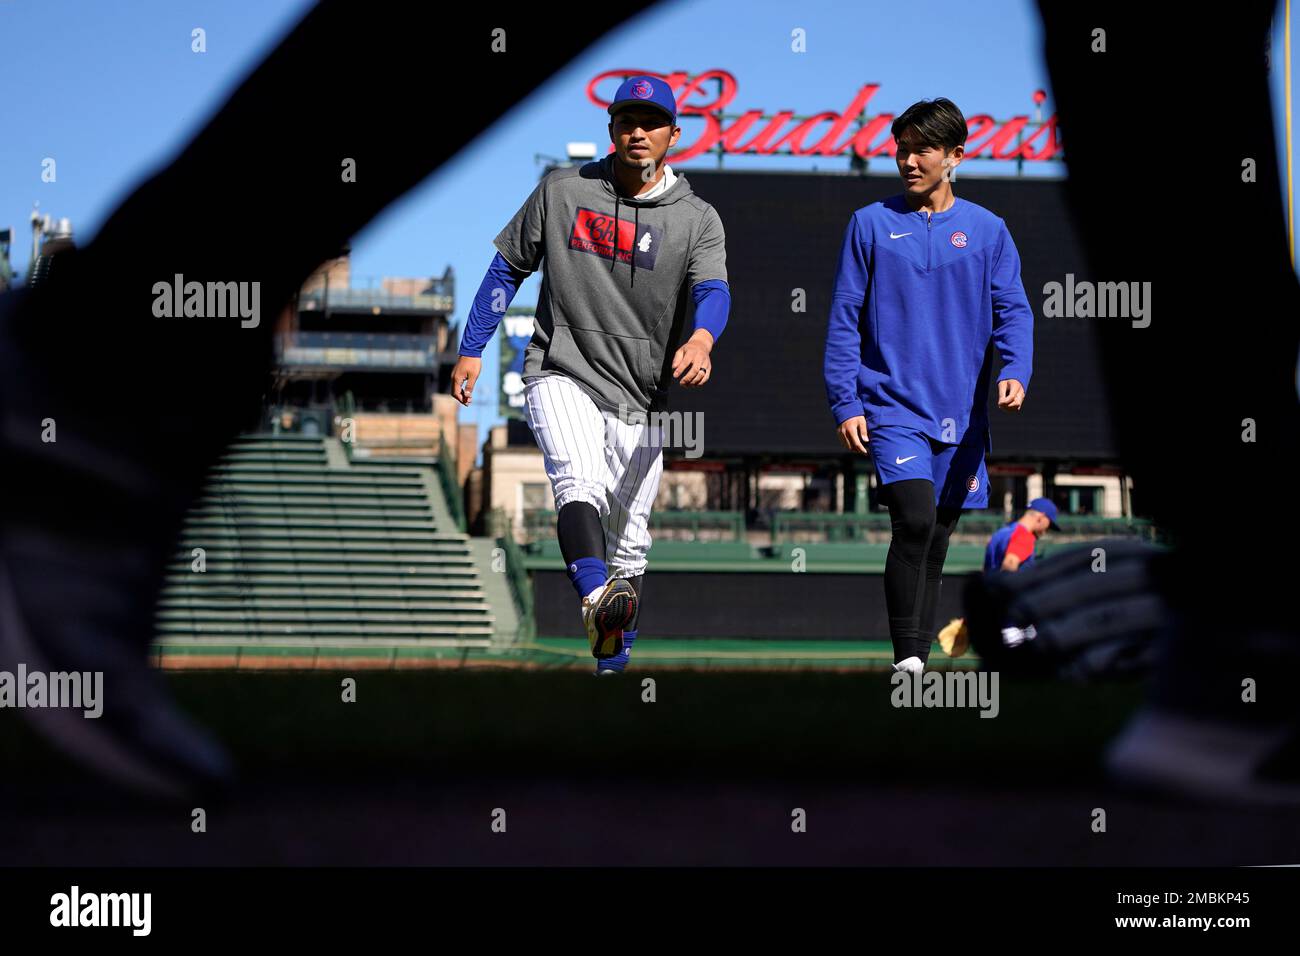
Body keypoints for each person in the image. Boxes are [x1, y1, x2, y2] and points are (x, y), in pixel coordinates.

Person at [449, 75, 731, 675]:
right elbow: (505, 271)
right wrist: (473, 346)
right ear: (611, 130)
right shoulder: (562, 190)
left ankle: (612, 669)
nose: (638, 131)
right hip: (561, 366)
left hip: (642, 394)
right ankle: (594, 599)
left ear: (673, 136)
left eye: (651, 122)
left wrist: (703, 338)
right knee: (579, 482)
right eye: (627, 119)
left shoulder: (698, 218)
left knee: (631, 539)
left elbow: (713, 290)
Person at [823, 97, 1034, 675]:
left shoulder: (989, 231)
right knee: (913, 519)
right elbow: (844, 316)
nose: (909, 160)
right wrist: (846, 400)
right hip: (890, 407)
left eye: (923, 149)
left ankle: (918, 665)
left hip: (963, 417)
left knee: (936, 541)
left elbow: (1014, 310)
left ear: (954, 156)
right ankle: (908, 659)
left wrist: (1016, 370)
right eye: (902, 148)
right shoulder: (869, 223)